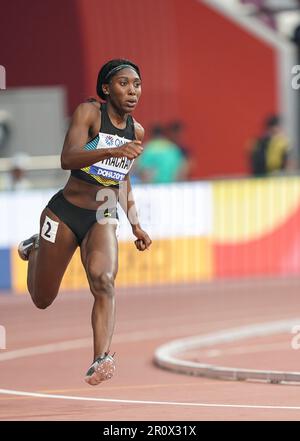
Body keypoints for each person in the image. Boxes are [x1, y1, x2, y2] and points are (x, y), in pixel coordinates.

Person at [17, 59, 152, 386]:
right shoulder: (90, 113)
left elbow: (122, 180)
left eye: (136, 84)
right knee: (42, 299)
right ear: (106, 89)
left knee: (104, 279)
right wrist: (111, 150)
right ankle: (36, 247)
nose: (132, 91)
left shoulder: (137, 131)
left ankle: (101, 358)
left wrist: (135, 223)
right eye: (123, 83)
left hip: (103, 214)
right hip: (64, 212)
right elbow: (68, 158)